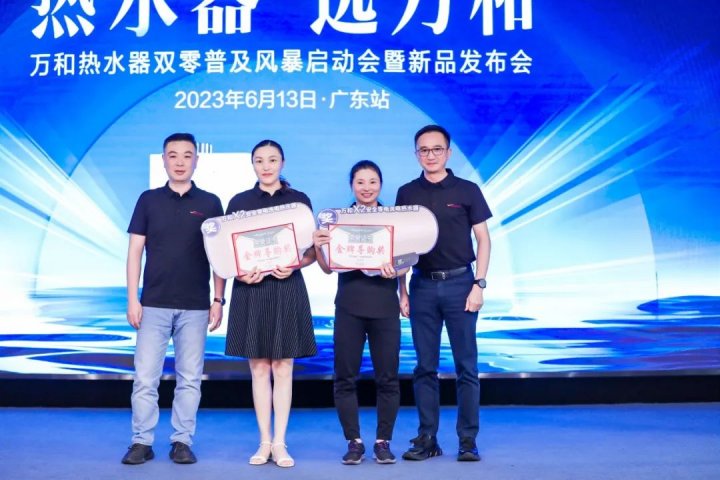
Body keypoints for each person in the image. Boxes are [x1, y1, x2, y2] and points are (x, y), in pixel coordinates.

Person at [122, 132, 226, 465]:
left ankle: (182, 441)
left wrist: (218, 300)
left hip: (195, 306)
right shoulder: (148, 200)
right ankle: (141, 442)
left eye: (186, 155)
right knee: (145, 379)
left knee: (190, 379)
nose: (180, 162)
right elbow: (134, 252)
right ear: (164, 159)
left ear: (196, 160)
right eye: (173, 155)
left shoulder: (210, 203)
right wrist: (132, 299)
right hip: (152, 304)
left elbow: (219, 256)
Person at [395, 125, 492, 462]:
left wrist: (479, 284)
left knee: (466, 366)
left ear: (448, 153)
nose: (431, 155)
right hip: (421, 286)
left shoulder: (467, 190)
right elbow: (401, 246)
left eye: (437, 149)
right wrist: (402, 290)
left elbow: (483, 239)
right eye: (424, 150)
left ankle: (467, 440)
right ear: (416, 154)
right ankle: (427, 438)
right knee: (425, 367)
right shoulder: (407, 193)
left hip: (461, 285)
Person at [225, 139, 317, 468]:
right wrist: (240, 272)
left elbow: (312, 252)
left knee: (284, 366)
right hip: (251, 289)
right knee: (259, 367)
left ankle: (280, 442)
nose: (266, 166)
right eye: (260, 160)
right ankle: (264, 441)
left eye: (272, 160)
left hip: (286, 286)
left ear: (282, 163)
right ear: (252, 164)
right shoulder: (239, 202)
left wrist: (295, 265)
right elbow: (226, 253)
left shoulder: (299, 202)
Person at [313, 160, 408, 465]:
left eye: (372, 182)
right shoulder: (338, 221)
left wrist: (402, 286)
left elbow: (405, 262)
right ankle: (353, 442)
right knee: (344, 377)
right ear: (352, 186)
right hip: (349, 307)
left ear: (381, 184)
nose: (367, 188)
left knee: (388, 378)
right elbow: (327, 268)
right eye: (360, 182)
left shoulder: (393, 220)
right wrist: (318, 246)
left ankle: (383, 441)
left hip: (385, 307)